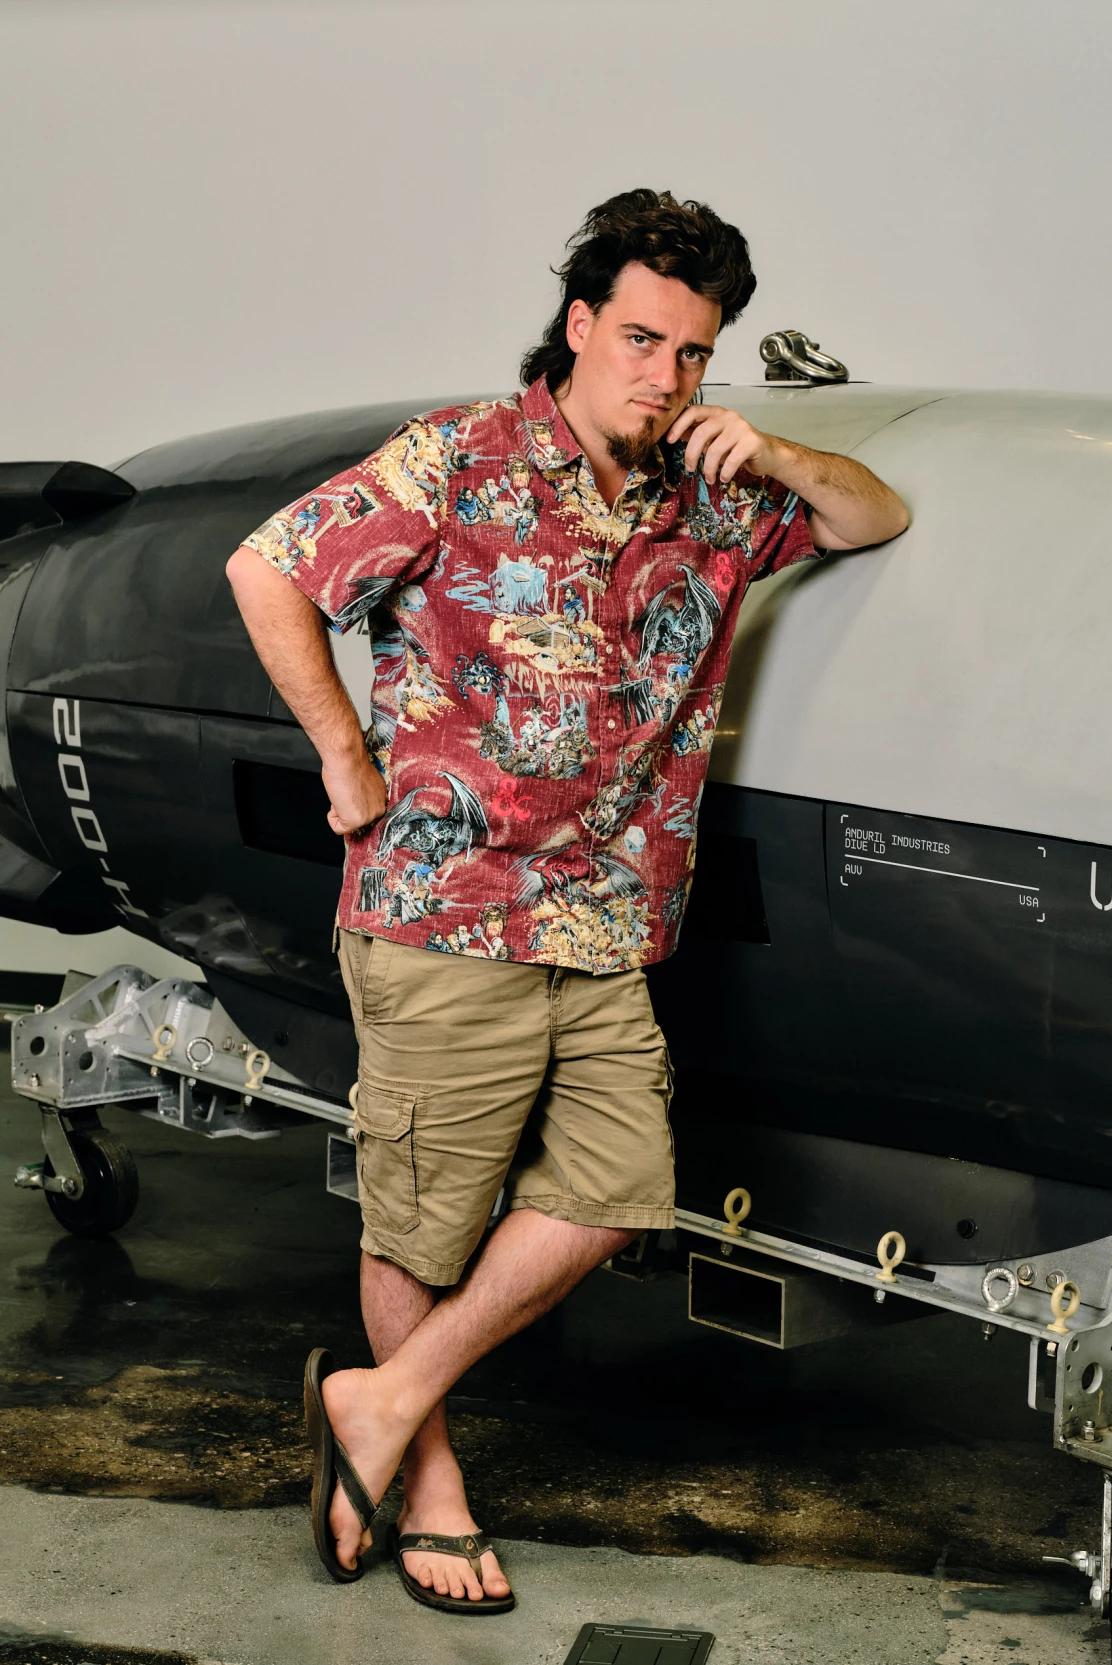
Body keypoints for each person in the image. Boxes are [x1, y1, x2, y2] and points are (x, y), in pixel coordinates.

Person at [226, 187, 908, 1615]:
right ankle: (434, 1488)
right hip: (443, 917)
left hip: (606, 918)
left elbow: (873, 513)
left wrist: (776, 444)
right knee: (422, 1225)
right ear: (580, 326)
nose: (667, 378)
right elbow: (269, 568)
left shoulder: (713, 493)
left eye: (696, 355)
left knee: (618, 1192)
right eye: (645, 340)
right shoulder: (459, 460)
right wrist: (346, 763)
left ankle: (379, 1399)